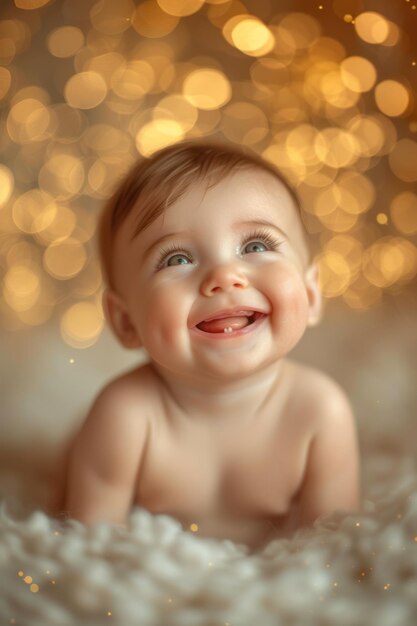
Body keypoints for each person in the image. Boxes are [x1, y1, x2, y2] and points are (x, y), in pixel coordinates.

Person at [64, 140, 360, 551]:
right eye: (176, 258)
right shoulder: (125, 416)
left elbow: (332, 554)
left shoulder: (319, 412)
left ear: (311, 295)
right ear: (125, 321)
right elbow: (87, 553)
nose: (225, 275)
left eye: (256, 246)